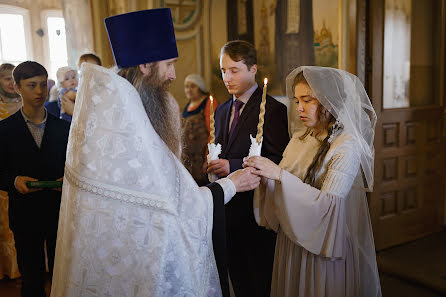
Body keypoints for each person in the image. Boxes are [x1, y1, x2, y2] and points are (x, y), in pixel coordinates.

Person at [50, 8, 259, 297]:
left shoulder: (116, 108)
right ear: (146, 65)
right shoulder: (125, 120)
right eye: (169, 64)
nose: (173, 74)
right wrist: (231, 184)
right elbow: (177, 206)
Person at [243, 66, 382, 297]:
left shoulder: (346, 146)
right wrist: (263, 178)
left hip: (321, 245)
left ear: (328, 102)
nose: (299, 108)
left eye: (307, 100)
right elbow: (284, 183)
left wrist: (278, 175)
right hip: (293, 237)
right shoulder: (300, 137)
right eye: (297, 101)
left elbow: (329, 206)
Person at [208, 40, 290, 297]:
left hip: (255, 212)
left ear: (253, 69)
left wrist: (231, 165)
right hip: (226, 210)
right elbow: (218, 148)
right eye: (223, 70)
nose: (227, 77)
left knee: (258, 280)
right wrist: (210, 164)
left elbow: (278, 159)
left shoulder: (274, 110)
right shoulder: (221, 110)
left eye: (234, 70)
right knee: (236, 280)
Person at [0, 61, 70, 297]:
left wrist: (68, 181)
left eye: (42, 84)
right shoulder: (4, 130)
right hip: (25, 214)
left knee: (63, 275)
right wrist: (14, 181)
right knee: (31, 278)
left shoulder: (64, 128)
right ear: (18, 87)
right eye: (31, 85)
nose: (40, 91)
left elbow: (76, 167)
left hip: (59, 212)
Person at [0, 63, 22, 280]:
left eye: (13, 80)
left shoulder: (28, 102)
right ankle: (11, 269)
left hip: (26, 162)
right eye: (6, 79)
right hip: (5, 165)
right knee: (6, 223)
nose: (10, 84)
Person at [181, 74, 217, 186]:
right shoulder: (188, 106)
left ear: (200, 87)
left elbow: (213, 131)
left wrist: (208, 158)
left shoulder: (208, 102)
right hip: (188, 159)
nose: (189, 90)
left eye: (193, 86)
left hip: (202, 158)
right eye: (186, 86)